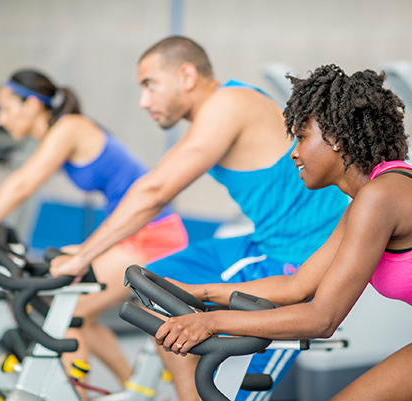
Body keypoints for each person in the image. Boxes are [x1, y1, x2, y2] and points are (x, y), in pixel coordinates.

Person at [153, 64, 412, 401]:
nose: (293, 152)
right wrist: (200, 292)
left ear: (336, 138)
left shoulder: (381, 197)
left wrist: (212, 323)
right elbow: (297, 286)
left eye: (301, 136)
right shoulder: (370, 196)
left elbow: (321, 318)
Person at [50, 37, 349, 401]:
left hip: (293, 258)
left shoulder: (229, 104)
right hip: (262, 243)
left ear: (186, 75)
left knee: (190, 334)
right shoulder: (223, 106)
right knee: (157, 287)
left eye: (150, 85)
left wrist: (82, 257)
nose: (144, 101)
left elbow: (155, 191)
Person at [0, 69, 189, 393]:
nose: (1, 120)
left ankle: (79, 394)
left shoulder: (69, 129)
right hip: (140, 234)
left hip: (154, 236)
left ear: (33, 106)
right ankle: (133, 392)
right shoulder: (63, 131)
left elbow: (22, 185)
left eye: (7, 109)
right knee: (80, 314)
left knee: (69, 313)